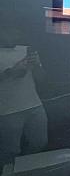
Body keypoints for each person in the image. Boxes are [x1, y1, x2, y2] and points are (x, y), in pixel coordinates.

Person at [0, 22, 48, 166]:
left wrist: (37, 65)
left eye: (17, 31)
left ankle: (26, 171)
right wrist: (11, 72)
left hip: (34, 106)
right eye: (10, 31)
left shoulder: (26, 50)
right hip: (7, 111)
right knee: (9, 151)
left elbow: (42, 79)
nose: (15, 35)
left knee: (40, 142)